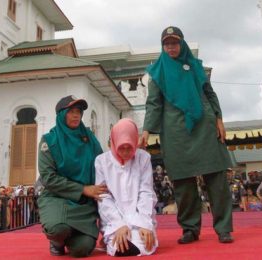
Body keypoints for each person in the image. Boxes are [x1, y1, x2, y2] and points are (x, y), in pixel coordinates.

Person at [139, 26, 233, 244]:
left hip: (204, 126)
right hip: (174, 131)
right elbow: (153, 104)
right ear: (163, 46)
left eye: (175, 42)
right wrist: (145, 130)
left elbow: (209, 93)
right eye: (167, 43)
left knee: (216, 179)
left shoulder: (195, 66)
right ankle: (190, 229)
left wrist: (219, 119)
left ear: (182, 43)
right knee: (183, 182)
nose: (171, 47)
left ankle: (223, 228)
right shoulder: (157, 72)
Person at [38, 95, 107, 257]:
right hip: (58, 198)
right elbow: (48, 178)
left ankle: (70, 238)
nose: (76, 115)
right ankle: (57, 241)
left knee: (82, 249)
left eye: (79, 111)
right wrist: (83, 189)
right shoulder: (49, 140)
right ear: (62, 115)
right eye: (71, 111)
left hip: (84, 204)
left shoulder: (89, 138)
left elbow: (103, 165)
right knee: (58, 229)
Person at [95, 118, 158, 256]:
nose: (125, 152)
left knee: (144, 243)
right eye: (121, 147)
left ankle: (139, 234)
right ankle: (113, 239)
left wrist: (144, 223)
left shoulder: (143, 158)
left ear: (135, 142)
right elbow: (103, 196)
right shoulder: (102, 161)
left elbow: (146, 192)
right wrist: (118, 224)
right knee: (119, 243)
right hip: (114, 219)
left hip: (139, 216)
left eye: (129, 147)